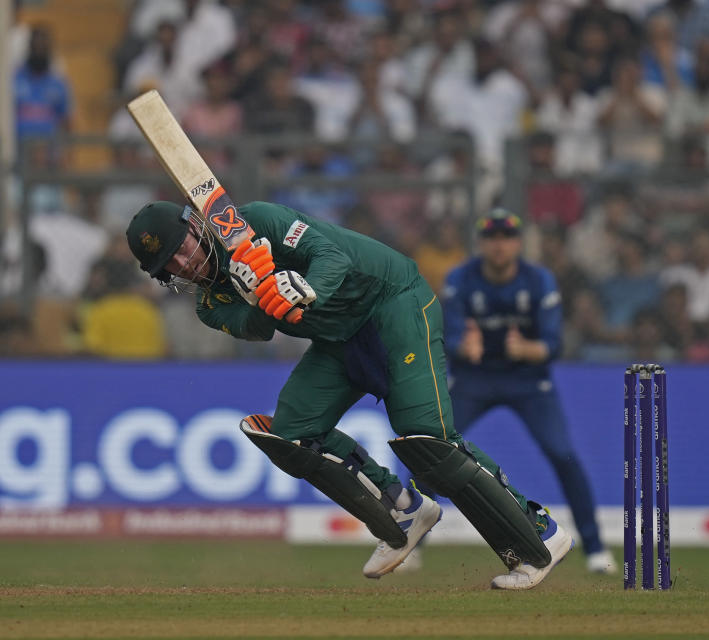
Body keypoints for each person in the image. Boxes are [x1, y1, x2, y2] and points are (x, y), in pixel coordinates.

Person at [125, 200, 573, 590]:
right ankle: (403, 510)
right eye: (168, 266)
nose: (182, 265)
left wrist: (304, 283)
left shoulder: (256, 221)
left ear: (196, 226)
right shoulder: (208, 304)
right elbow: (257, 330)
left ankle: (539, 536)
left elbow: (330, 256)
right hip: (341, 339)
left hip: (391, 300)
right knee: (291, 435)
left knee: (429, 442)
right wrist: (258, 288)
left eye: (180, 248)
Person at [441, 209, 616, 574]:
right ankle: (413, 542)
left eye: (507, 237)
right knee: (432, 448)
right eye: (491, 238)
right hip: (475, 379)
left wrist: (527, 349)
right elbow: (452, 335)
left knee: (563, 454)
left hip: (528, 381)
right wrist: (462, 346)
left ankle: (596, 548)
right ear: (481, 243)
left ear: (518, 243)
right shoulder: (461, 278)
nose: (499, 245)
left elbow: (553, 344)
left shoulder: (538, 280)